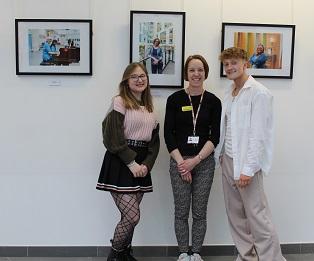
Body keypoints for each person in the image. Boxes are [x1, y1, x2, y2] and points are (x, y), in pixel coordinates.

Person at [216, 47, 286, 261]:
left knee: (257, 216)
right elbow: (226, 128)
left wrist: (248, 169)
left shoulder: (259, 93)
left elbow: (259, 135)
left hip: (247, 165)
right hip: (227, 160)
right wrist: (220, 156)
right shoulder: (229, 91)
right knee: (236, 215)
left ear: (245, 63)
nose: (229, 67)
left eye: (234, 62)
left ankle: (271, 258)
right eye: (226, 64)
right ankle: (247, 256)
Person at [96, 62, 160, 261]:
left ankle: (125, 254)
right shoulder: (119, 101)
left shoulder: (150, 107)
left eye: (142, 76)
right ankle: (114, 255)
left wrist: (146, 166)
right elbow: (111, 137)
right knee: (133, 216)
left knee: (129, 218)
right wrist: (131, 164)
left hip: (142, 166)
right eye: (134, 77)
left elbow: (154, 143)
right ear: (126, 81)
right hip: (121, 163)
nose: (139, 79)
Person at [164, 55, 222, 261]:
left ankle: (196, 252)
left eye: (200, 70)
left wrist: (195, 161)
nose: (196, 74)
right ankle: (182, 253)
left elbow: (214, 137)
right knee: (181, 211)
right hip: (179, 161)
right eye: (192, 70)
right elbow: (168, 135)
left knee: (199, 211)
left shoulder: (214, 101)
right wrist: (182, 164)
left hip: (204, 162)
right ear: (186, 73)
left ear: (205, 72)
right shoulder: (175, 99)